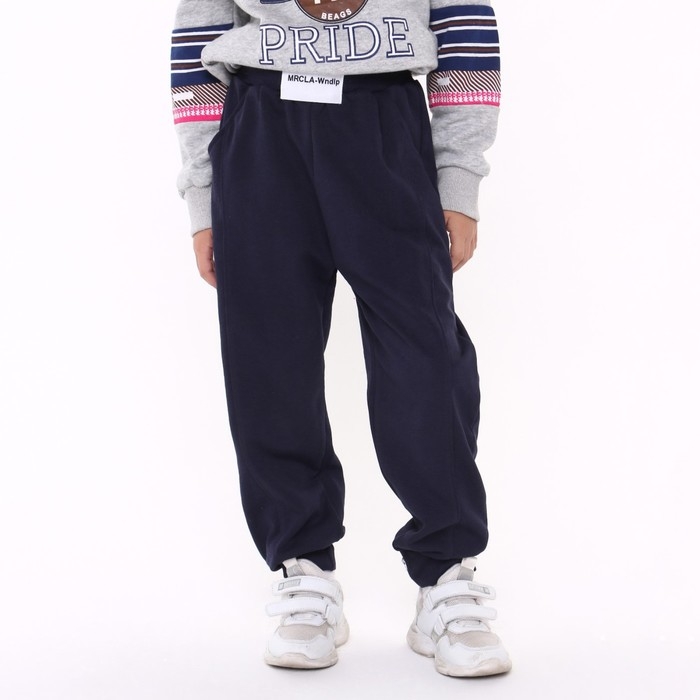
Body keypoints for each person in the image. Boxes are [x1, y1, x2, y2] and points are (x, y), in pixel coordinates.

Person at [171, 0, 511, 677]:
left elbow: (465, 26)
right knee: (269, 357)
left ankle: (446, 573)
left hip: (385, 119)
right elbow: (198, 38)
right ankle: (303, 569)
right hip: (260, 126)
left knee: (424, 353)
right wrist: (203, 196)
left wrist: (459, 179)